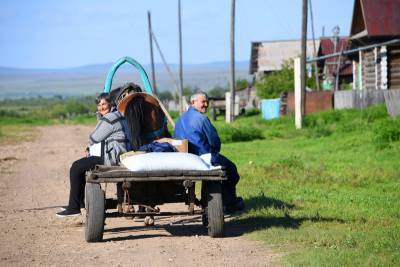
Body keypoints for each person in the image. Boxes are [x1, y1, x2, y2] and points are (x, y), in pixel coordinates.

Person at [56, 93, 129, 217]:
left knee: (76, 167)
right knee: (80, 166)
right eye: (99, 105)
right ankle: (79, 203)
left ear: (111, 104)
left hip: (110, 156)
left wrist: (89, 144)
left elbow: (94, 137)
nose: (101, 107)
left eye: (104, 104)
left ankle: (74, 208)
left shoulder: (110, 118)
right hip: (113, 153)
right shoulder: (116, 115)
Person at [173, 91, 245, 213]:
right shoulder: (202, 119)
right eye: (203, 101)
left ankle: (223, 200)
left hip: (184, 159)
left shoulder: (179, 120)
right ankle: (229, 203)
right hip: (203, 157)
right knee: (232, 170)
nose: (206, 104)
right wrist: (215, 152)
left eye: (207, 101)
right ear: (193, 102)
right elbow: (214, 141)